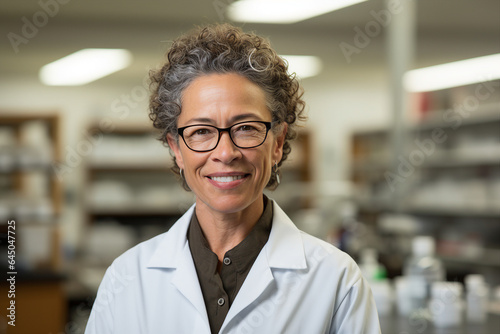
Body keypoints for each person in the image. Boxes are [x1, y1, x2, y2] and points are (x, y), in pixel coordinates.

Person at [85, 23, 381, 334]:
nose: (225, 153)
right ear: (177, 149)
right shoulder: (128, 277)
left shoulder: (336, 279)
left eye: (246, 128)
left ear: (277, 143)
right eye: (201, 131)